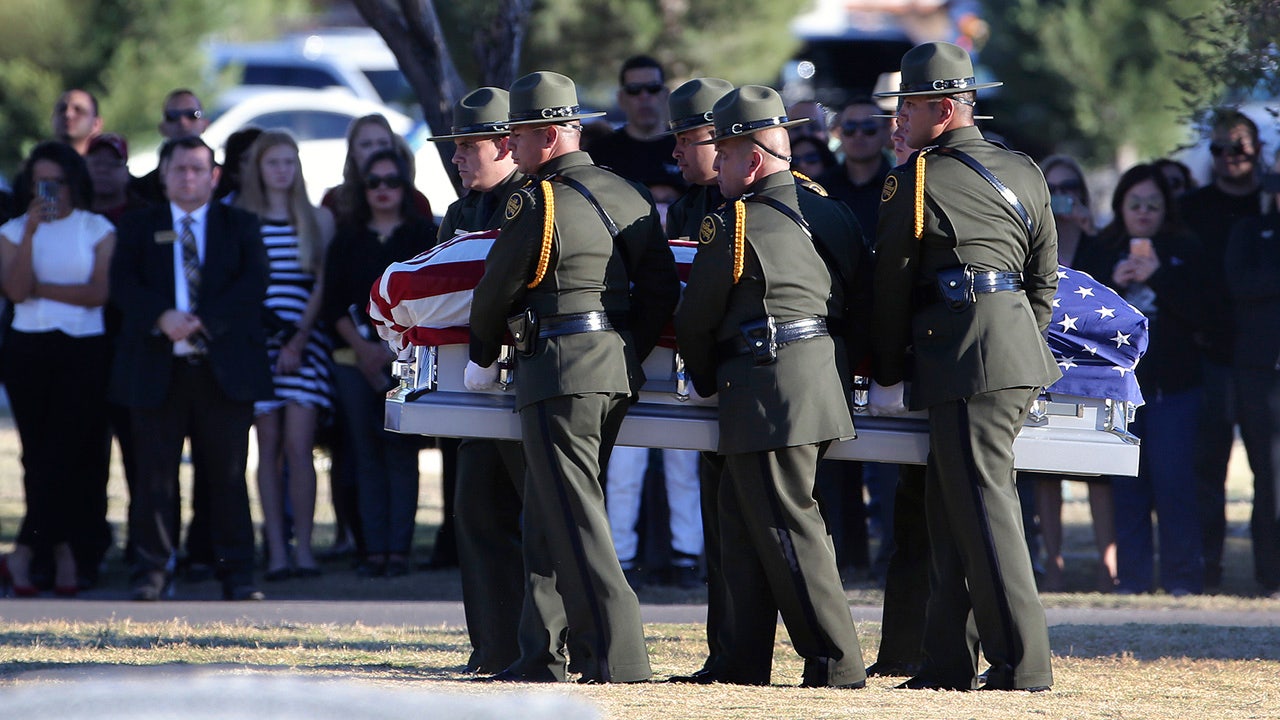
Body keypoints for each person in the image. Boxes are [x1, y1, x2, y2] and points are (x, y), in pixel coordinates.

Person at [467, 70, 679, 684]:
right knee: (547, 511)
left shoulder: (539, 201)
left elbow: (493, 291)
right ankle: (541, 652)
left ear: (553, 135)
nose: (513, 146)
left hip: (557, 371)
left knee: (574, 511)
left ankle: (620, 654)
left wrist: (483, 351)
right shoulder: (628, 192)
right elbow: (660, 285)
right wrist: (624, 347)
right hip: (608, 368)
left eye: (521, 134)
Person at [871, 41, 1058, 691]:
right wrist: (1017, 345)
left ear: (945, 110)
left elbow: (891, 284)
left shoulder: (916, 178)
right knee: (954, 510)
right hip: (1006, 349)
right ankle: (947, 661)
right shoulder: (1025, 171)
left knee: (984, 508)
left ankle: (1024, 663)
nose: (898, 119)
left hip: (962, 354)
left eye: (909, 107)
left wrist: (886, 370)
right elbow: (1043, 281)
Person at [673, 85, 867, 689]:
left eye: (724, 154)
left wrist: (704, 379)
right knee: (741, 521)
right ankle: (739, 658)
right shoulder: (829, 210)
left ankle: (836, 661)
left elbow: (697, 321)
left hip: (766, 386)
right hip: (816, 380)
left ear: (752, 161)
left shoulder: (732, 223)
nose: (718, 165)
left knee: (787, 524)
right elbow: (858, 297)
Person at [110, 135, 272, 602]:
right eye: (179, 169)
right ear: (163, 174)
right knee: (154, 477)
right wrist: (161, 316)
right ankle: (152, 573)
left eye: (197, 169)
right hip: (157, 369)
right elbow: (122, 283)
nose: (187, 177)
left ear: (214, 175)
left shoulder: (239, 223)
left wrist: (205, 322)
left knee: (225, 476)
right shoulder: (138, 226)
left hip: (223, 369)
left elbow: (254, 282)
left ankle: (237, 574)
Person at [425, 87, 529, 673]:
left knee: (532, 518)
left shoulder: (533, 201)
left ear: (505, 145)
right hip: (473, 384)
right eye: (455, 148)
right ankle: (491, 647)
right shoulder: (461, 212)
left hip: (524, 379)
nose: (458, 159)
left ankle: (542, 646)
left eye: (468, 147)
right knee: (476, 511)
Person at [1074, 164, 1207, 596]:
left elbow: (1209, 314)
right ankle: (1129, 582)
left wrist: (1158, 278)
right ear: (1120, 207)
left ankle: (1182, 582)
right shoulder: (1099, 249)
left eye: (1153, 204)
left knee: (1175, 487)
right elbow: (1079, 316)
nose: (1144, 212)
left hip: (1176, 389)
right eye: (1136, 204)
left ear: (1166, 207)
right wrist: (1115, 282)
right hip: (1118, 394)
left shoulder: (1187, 246)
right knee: (1126, 490)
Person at [0, 142, 115, 596]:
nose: (52, 192)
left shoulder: (96, 227)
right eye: (41, 183)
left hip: (83, 351)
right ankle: (55, 549)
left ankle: (34, 552)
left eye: (59, 182)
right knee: (37, 456)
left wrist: (41, 289)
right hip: (29, 350)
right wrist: (29, 231)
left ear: (74, 183)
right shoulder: (11, 231)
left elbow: (96, 294)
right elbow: (15, 290)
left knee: (65, 452)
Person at [322, 148, 432, 578]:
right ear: (361, 189)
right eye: (374, 182)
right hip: (353, 361)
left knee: (401, 453)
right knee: (364, 455)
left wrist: (391, 353)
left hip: (405, 360)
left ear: (405, 187)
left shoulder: (423, 235)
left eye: (392, 181)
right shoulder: (346, 239)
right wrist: (367, 352)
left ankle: (399, 551)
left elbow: (431, 304)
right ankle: (372, 551)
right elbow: (332, 304)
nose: (383, 190)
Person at [235, 131, 336, 580]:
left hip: (305, 344)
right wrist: (271, 338)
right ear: (258, 168)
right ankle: (275, 549)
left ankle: (305, 550)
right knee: (268, 447)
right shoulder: (240, 217)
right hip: (256, 347)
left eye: (288, 162)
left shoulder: (316, 219)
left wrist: (297, 339)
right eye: (273, 162)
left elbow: (320, 284)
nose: (281, 171)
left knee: (300, 448)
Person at [1025, 153, 1118, 593]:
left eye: (1071, 190)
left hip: (1096, 367)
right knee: (1045, 470)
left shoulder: (1101, 243)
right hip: (1046, 360)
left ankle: (1107, 569)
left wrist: (1090, 228)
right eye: (1053, 190)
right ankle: (1054, 568)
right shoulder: (1031, 240)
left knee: (1098, 470)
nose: (1062, 199)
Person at [1181, 109, 1263, 592]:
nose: (1229, 158)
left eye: (1239, 148)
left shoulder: (1268, 206)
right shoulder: (1193, 207)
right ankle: (1207, 569)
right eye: (1219, 149)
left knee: (1268, 471)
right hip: (1208, 352)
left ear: (1256, 151)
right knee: (1207, 469)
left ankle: (1267, 571)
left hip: (1261, 356)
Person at [1223, 151, 1280, 598]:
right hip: (1261, 373)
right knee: (1269, 475)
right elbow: (1241, 287)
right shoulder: (1249, 232)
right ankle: (1269, 573)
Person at [586, 55, 684, 192]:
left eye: (653, 88)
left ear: (665, 94)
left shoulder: (683, 148)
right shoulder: (599, 153)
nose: (644, 97)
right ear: (621, 98)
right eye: (634, 89)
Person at [819, 98, 893, 246]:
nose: (858, 135)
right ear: (839, 132)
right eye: (850, 128)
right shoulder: (821, 188)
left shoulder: (901, 186)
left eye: (869, 128)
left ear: (885, 133)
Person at [135, 89, 212, 203]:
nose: (182, 122)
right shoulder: (140, 191)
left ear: (205, 124)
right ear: (162, 128)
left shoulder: (227, 184)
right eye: (172, 116)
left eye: (192, 115)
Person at [86, 134, 147, 224]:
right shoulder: (71, 214)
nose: (102, 169)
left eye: (112, 163)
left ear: (126, 173)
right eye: (96, 163)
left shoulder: (147, 217)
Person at [215, 127, 266, 204]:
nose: (257, 165)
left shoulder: (288, 206)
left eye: (261, 157)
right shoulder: (220, 212)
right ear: (234, 172)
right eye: (248, 160)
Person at [52, 89, 102, 156]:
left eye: (78, 110)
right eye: (62, 109)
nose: (68, 114)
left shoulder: (109, 164)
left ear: (96, 124)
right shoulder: (39, 163)